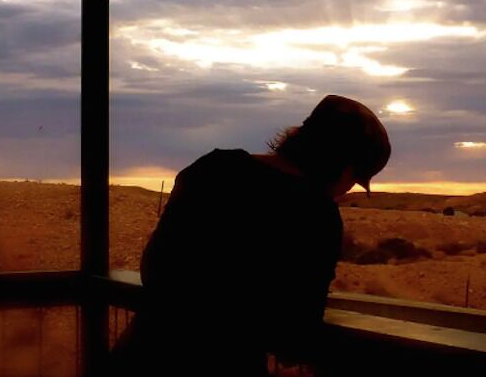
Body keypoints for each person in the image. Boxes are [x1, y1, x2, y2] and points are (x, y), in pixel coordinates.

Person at [107, 95, 391, 376]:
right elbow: (295, 338)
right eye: (354, 179)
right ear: (343, 164)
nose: (347, 189)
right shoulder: (316, 214)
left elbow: (155, 270)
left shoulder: (211, 168)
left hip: (137, 357)